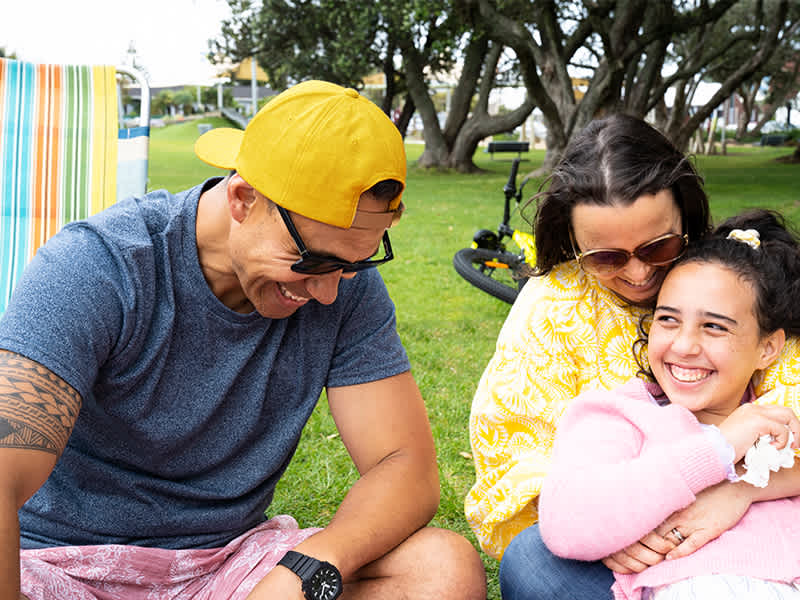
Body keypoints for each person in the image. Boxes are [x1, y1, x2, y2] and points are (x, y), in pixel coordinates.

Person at [0, 80, 486, 600]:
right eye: (312, 262)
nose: (326, 293)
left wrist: (308, 569)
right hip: (58, 566)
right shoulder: (98, 267)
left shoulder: (347, 288)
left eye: (351, 264)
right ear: (242, 198)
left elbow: (404, 466)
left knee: (442, 570)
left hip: (229, 565)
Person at [464, 113, 800, 599]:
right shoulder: (552, 307)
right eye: (606, 257)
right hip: (624, 538)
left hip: (760, 534)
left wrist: (741, 491)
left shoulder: (732, 277)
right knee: (535, 559)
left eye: (658, 246)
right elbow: (515, 452)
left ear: (684, 218)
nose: (641, 273)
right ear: (576, 246)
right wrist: (616, 527)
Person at [539, 209, 800, 599]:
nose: (684, 346)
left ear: (768, 348)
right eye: (667, 320)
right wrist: (719, 447)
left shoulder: (777, 420)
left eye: (714, 326)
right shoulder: (621, 416)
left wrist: (744, 488)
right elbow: (565, 523)